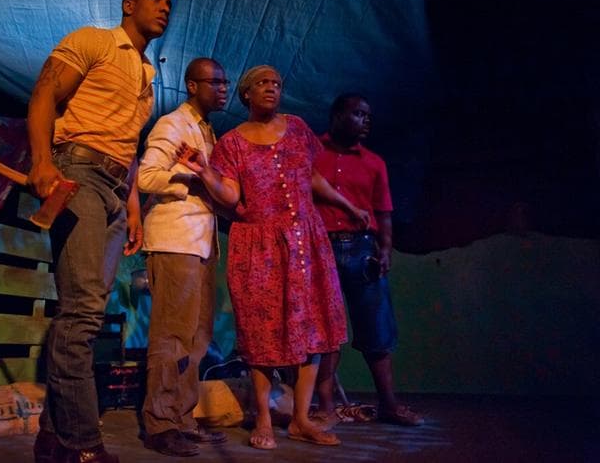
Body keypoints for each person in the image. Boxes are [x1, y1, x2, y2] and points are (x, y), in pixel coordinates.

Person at [176, 65, 369, 450]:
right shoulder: (231, 143)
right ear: (246, 94)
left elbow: (311, 177)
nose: (271, 89)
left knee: (313, 328)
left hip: (305, 239)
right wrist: (204, 173)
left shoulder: (297, 128)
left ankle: (301, 418)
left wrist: (347, 204)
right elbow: (230, 195)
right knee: (261, 329)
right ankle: (263, 416)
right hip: (258, 243)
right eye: (263, 83)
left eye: (277, 84)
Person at [27, 0, 172, 463]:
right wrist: (42, 160)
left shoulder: (148, 74)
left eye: (169, 2)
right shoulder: (94, 39)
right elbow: (45, 92)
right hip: (78, 172)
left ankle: (52, 439)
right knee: (83, 310)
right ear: (129, 5)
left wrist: (132, 206)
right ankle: (83, 442)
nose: (165, 6)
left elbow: (129, 146)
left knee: (91, 306)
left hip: (113, 188)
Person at [313, 93, 424, 427]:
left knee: (377, 329)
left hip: (363, 250)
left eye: (368, 116)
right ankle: (326, 407)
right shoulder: (311, 152)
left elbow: (384, 211)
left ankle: (388, 404)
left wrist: (385, 250)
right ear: (337, 115)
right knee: (327, 332)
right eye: (358, 114)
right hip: (323, 248)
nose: (366, 121)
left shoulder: (375, 162)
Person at [137, 58, 229, 456]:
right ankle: (159, 424)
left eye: (225, 83)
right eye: (216, 82)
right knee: (172, 337)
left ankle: (182, 418)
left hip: (201, 242)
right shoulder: (172, 124)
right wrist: (190, 179)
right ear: (193, 85)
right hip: (175, 240)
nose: (223, 89)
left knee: (197, 338)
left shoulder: (207, 132)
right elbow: (145, 177)